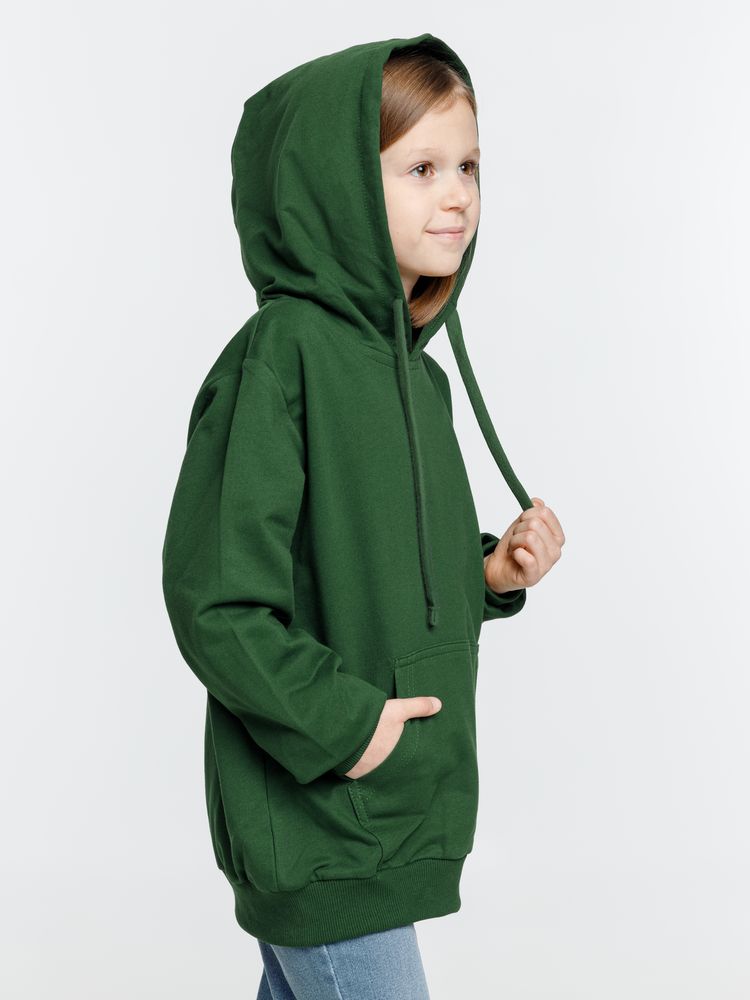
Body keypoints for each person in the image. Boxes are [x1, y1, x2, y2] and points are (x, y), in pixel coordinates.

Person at [161, 32, 565, 1000]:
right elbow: (217, 601)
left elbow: (376, 565)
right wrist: (348, 728)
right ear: (337, 184)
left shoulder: (420, 379)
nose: (457, 195)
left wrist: (486, 575)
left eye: (468, 166)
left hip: (394, 815)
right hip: (323, 817)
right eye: (421, 168)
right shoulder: (282, 357)